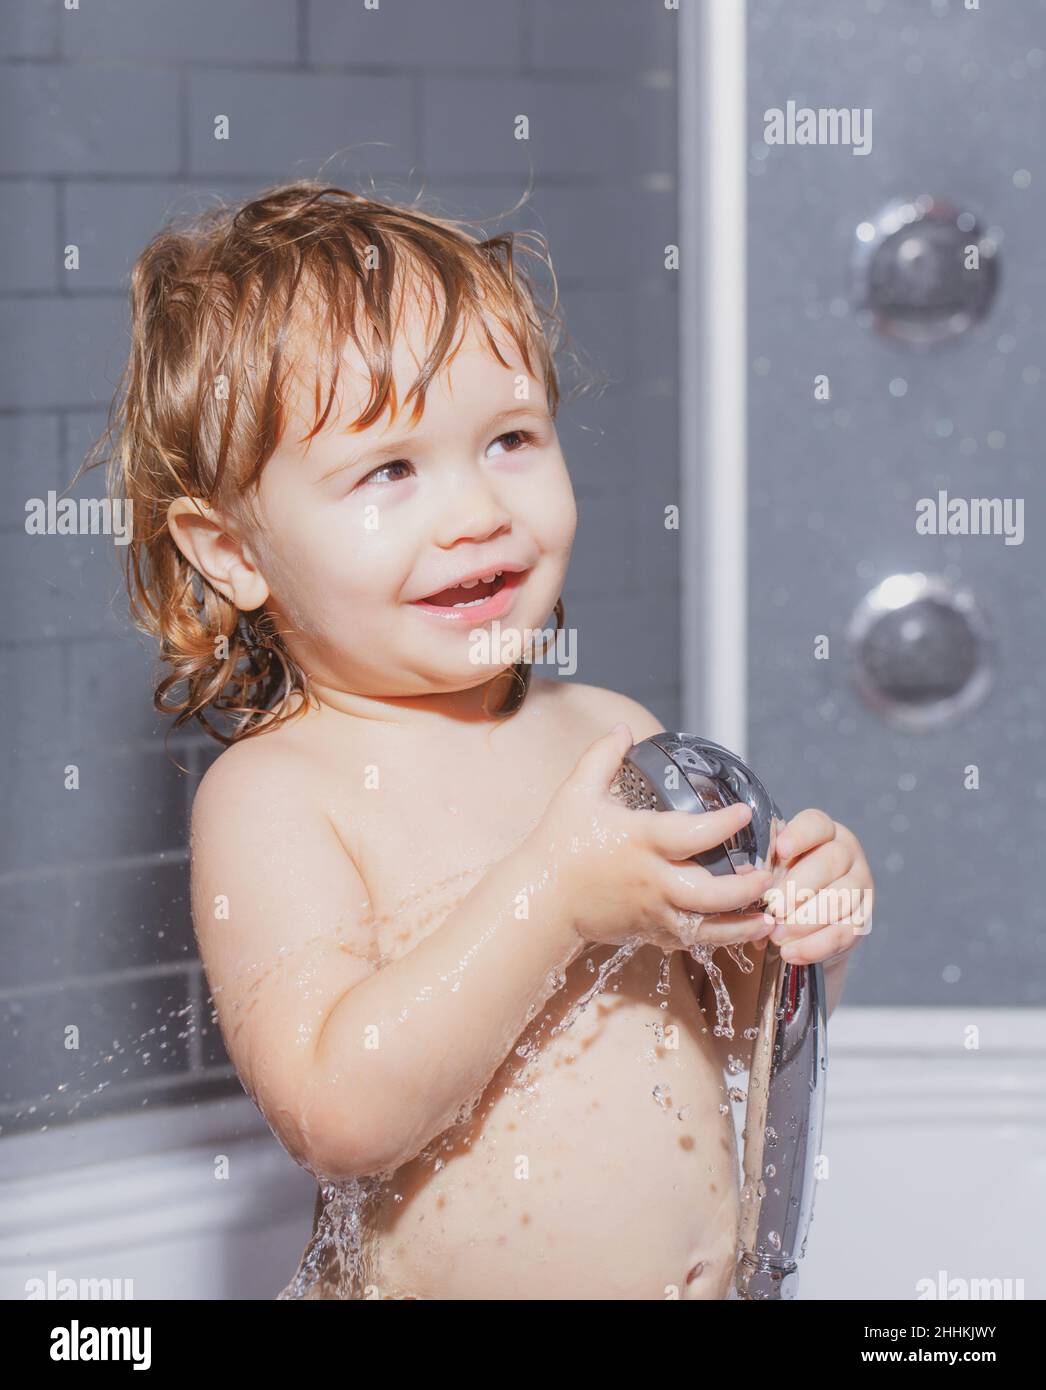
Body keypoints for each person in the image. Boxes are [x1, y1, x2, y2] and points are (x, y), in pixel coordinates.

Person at [89, 180, 874, 1299]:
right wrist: (548, 898)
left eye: (509, 438)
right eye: (390, 470)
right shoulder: (280, 796)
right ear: (230, 551)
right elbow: (338, 1112)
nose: (474, 512)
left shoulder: (612, 736)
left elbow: (736, 1042)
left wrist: (806, 946)